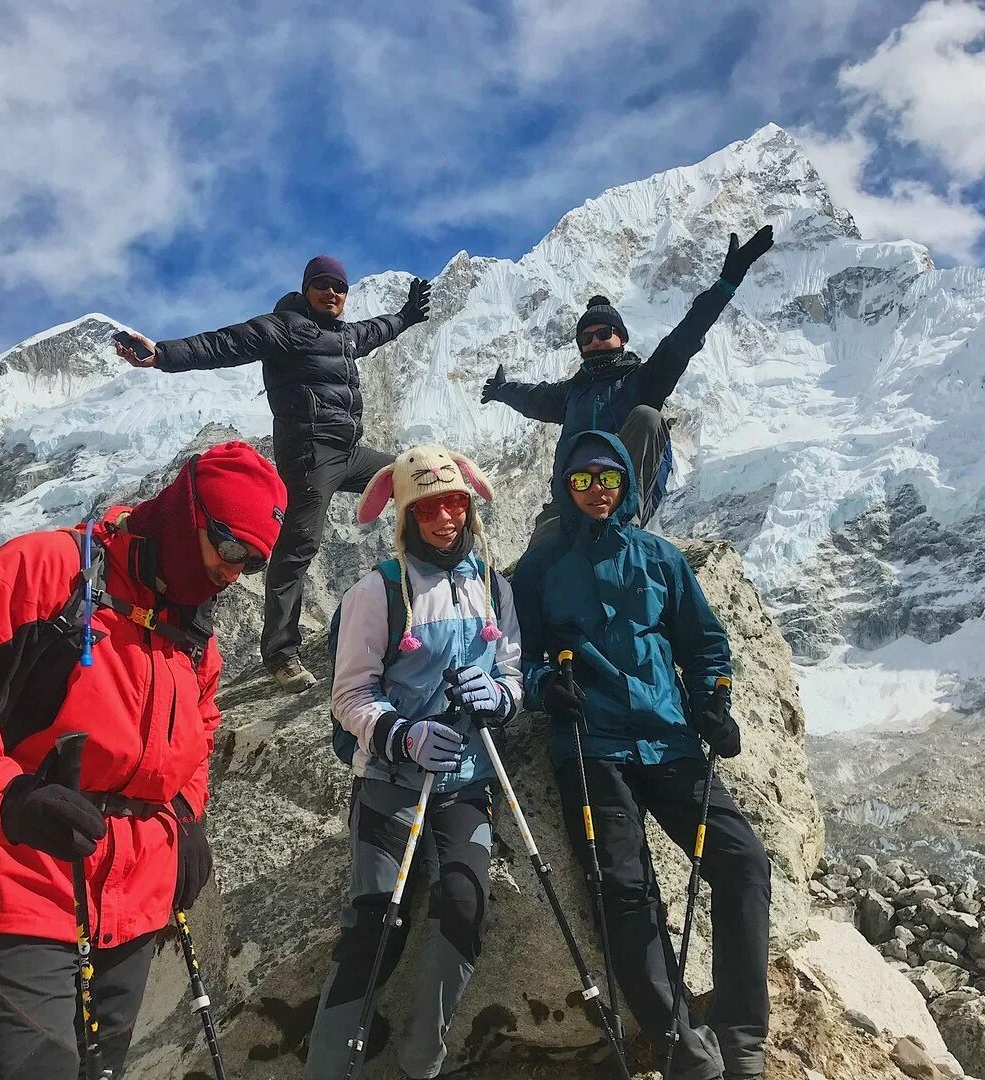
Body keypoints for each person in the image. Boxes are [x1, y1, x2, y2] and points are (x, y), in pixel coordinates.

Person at [0, 441, 288, 1080]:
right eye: (230, 546)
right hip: (23, 870)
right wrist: (6, 799)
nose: (233, 572)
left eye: (253, 562)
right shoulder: (46, 570)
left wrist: (185, 819)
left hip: (136, 889)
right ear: (186, 515)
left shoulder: (192, 638)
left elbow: (201, 734)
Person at [512, 430, 771, 1080]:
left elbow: (705, 642)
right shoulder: (542, 567)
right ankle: (684, 1047)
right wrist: (547, 687)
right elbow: (518, 656)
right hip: (590, 749)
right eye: (582, 480)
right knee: (624, 891)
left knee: (742, 864)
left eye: (608, 478)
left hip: (670, 739)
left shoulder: (660, 558)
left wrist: (715, 700)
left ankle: (741, 1039)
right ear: (563, 488)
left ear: (627, 483)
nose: (596, 490)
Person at [116, 254, 433, 693]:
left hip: (350, 451)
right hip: (310, 457)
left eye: (339, 287)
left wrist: (406, 316)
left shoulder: (343, 336)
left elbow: (376, 330)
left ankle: (429, 595)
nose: (331, 293)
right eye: (322, 284)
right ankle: (281, 653)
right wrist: (162, 354)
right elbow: (225, 343)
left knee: (416, 479)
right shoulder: (284, 327)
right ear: (306, 288)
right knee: (298, 547)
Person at [305, 445, 522, 1080]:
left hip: (467, 781)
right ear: (404, 512)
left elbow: (512, 668)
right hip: (390, 778)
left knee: (462, 899)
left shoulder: (492, 586)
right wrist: (402, 733)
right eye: (427, 505)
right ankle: (328, 1068)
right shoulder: (377, 591)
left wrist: (501, 698)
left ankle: (420, 1062)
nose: (445, 516)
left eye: (455, 501)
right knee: (376, 919)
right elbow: (349, 694)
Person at [481, 225, 773, 548]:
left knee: (648, 418)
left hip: (623, 499)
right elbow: (530, 398)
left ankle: (621, 524)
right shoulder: (570, 393)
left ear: (621, 337)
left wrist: (726, 284)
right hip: (570, 504)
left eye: (604, 332)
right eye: (586, 337)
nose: (594, 341)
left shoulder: (644, 379)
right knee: (535, 566)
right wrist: (500, 391)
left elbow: (685, 337)